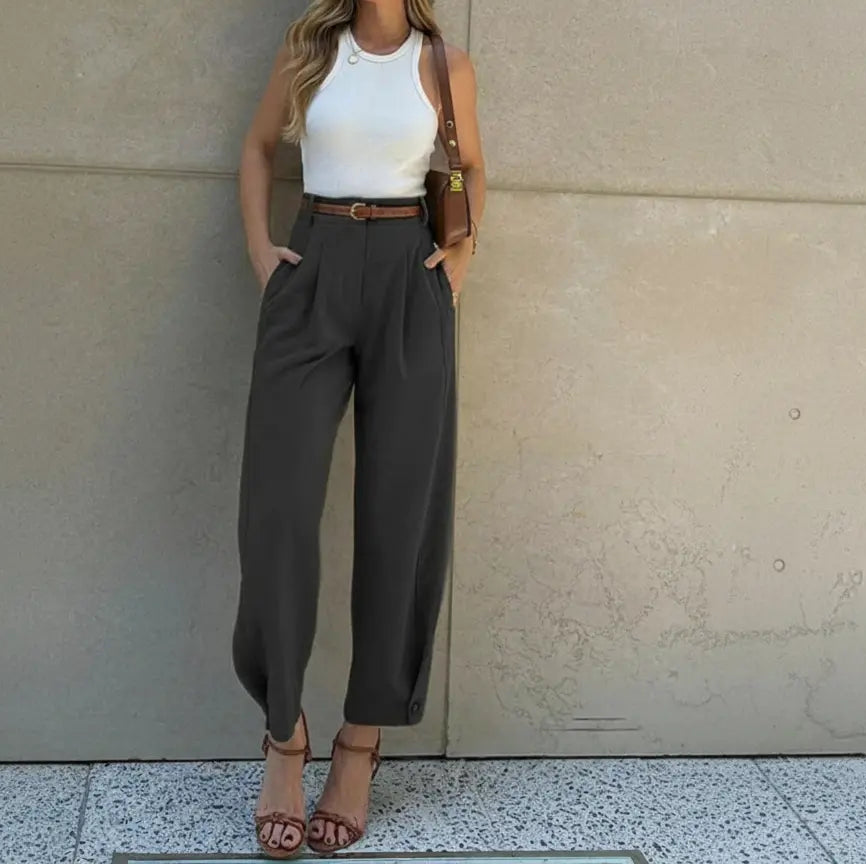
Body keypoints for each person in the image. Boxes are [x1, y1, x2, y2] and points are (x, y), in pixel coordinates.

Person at [232, 0, 485, 857]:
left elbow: (472, 169)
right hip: (314, 266)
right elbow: (258, 150)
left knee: (399, 514)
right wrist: (266, 254)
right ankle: (283, 735)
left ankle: (361, 740)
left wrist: (455, 267)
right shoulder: (309, 48)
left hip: (409, 272)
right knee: (278, 507)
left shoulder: (446, 63)